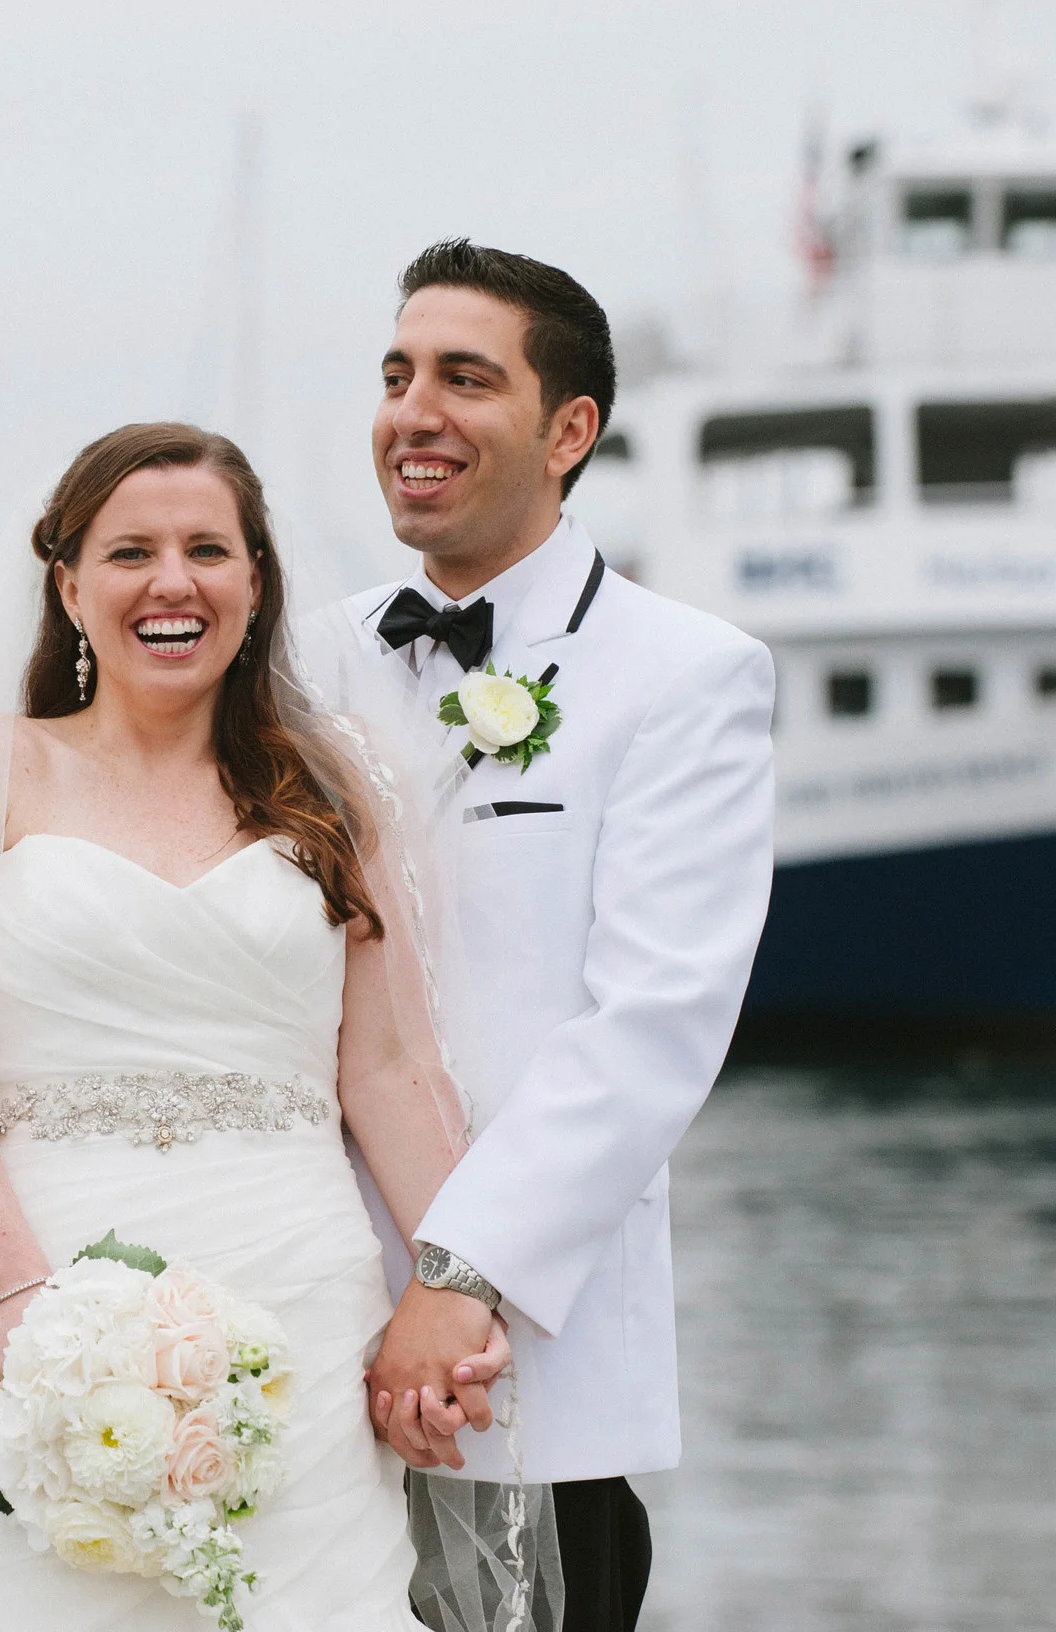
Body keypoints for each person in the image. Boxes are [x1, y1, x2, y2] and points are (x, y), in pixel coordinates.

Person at [0, 421, 549, 1632]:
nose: (172, 581)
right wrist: (19, 1300)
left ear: (255, 583)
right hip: (48, 1306)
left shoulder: (331, 787)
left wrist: (455, 1282)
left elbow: (394, 1064)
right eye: (131, 551)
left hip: (302, 1305)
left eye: (209, 548)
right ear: (68, 585)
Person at [346, 241, 777, 1632]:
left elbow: (653, 1029)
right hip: (290, 1335)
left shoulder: (687, 675)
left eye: (467, 379)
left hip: (525, 1362)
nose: (415, 411)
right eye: (399, 374)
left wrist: (457, 1272)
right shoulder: (302, 656)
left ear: (569, 429)